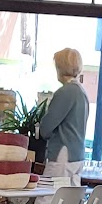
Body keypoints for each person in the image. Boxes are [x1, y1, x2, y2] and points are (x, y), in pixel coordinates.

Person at [36, 47, 89, 183]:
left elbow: (46, 128)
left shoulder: (65, 92)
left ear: (60, 68)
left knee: (47, 195)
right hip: (77, 156)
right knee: (69, 195)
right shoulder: (82, 93)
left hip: (62, 154)